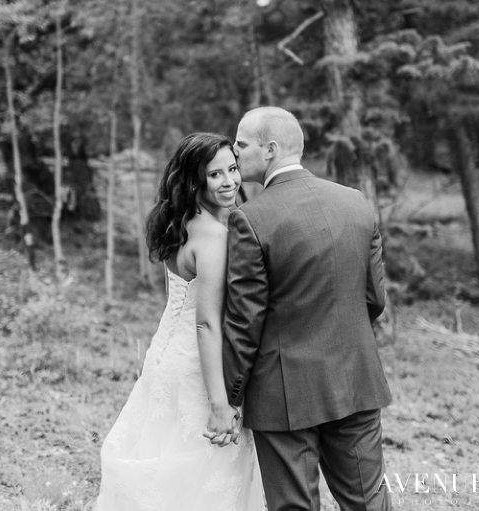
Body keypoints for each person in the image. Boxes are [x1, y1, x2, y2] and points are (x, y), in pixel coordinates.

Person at [208, 106, 393, 510]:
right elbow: (375, 299)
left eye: (241, 143)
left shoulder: (251, 219)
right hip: (355, 380)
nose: (235, 152)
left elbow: (245, 321)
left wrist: (231, 395)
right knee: (368, 502)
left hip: (283, 394)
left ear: (270, 149)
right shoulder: (356, 202)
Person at [88, 133, 265, 511]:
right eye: (215, 174)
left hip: (165, 357)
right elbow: (207, 323)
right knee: (204, 473)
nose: (230, 181)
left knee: (168, 461)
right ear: (195, 181)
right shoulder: (214, 236)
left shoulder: (182, 223)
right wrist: (220, 404)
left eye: (233, 169)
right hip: (199, 368)